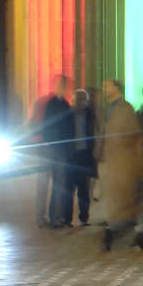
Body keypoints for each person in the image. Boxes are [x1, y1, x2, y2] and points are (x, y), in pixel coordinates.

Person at [97, 78, 143, 251]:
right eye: (104, 86)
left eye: (107, 86)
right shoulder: (105, 110)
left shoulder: (126, 109)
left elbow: (135, 137)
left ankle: (117, 235)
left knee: (129, 203)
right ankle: (129, 235)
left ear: (117, 88)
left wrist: (138, 163)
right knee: (122, 204)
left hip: (125, 163)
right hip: (110, 161)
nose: (104, 88)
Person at [33, 75, 75, 227]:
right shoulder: (46, 103)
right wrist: (45, 142)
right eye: (59, 84)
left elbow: (69, 128)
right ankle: (41, 217)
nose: (62, 88)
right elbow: (42, 125)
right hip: (48, 148)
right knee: (44, 184)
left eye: (63, 85)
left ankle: (54, 217)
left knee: (58, 184)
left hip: (59, 150)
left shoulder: (65, 104)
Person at [66, 87, 97, 227]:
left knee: (84, 190)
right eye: (80, 100)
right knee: (69, 189)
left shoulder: (90, 115)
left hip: (84, 156)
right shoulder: (68, 115)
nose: (83, 103)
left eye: (84, 100)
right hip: (72, 157)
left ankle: (84, 217)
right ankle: (67, 219)